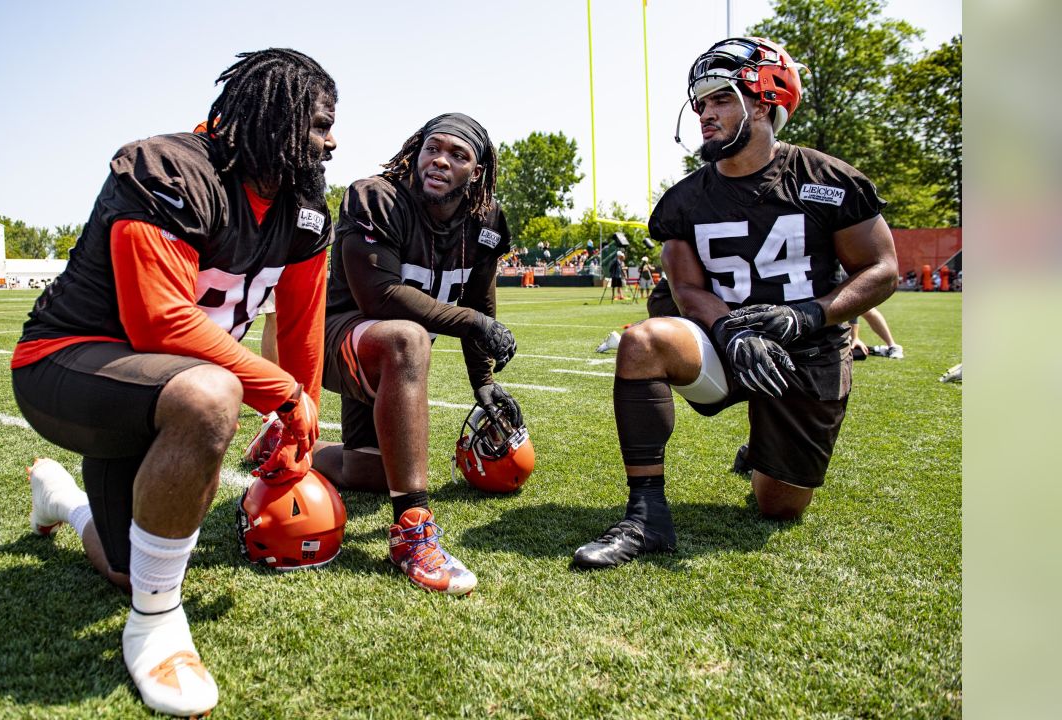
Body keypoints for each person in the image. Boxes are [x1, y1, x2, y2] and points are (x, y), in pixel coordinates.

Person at [9, 49, 337, 716]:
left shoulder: (304, 210)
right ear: (272, 115)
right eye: (321, 122)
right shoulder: (169, 168)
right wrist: (281, 394)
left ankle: (63, 502)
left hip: (158, 392)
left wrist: (298, 422)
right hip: (64, 367)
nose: (333, 140)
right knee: (211, 393)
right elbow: (159, 321)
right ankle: (157, 626)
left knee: (129, 564)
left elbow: (302, 327)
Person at [573, 37, 898, 569]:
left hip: (807, 347)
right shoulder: (684, 200)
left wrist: (806, 314)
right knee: (642, 341)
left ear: (766, 101)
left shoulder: (827, 181)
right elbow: (688, 289)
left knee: (779, 506)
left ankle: (762, 450)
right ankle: (647, 515)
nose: (705, 113)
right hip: (722, 337)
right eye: (699, 103)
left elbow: (882, 269)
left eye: (720, 98)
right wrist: (732, 331)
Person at [309, 113, 519, 595]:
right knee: (408, 336)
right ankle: (413, 529)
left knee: (371, 472)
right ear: (416, 150)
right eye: (433, 148)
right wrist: (472, 323)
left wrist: (482, 380)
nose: (440, 160)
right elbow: (378, 297)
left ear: (477, 172)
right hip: (343, 340)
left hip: (390, 360)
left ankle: (297, 451)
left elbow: (479, 298)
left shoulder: (485, 220)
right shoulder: (377, 197)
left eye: (458, 155)